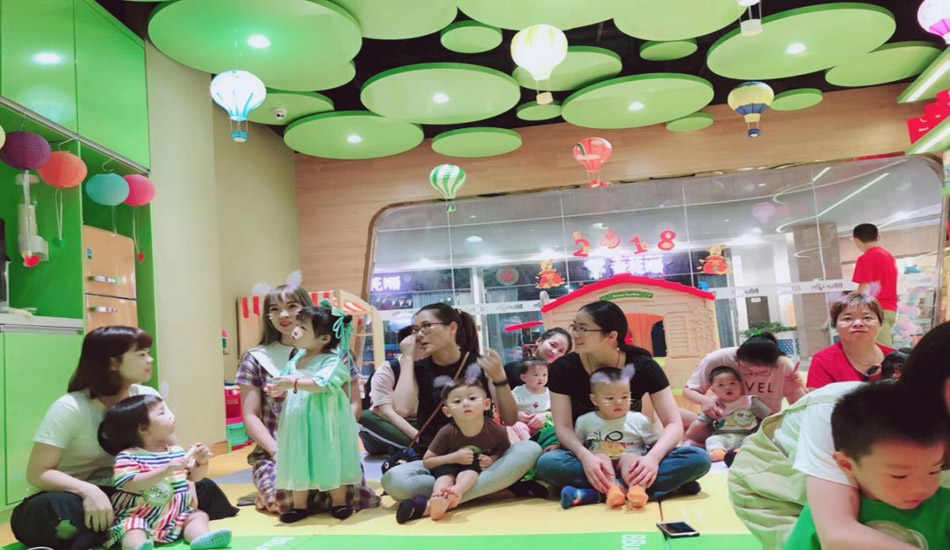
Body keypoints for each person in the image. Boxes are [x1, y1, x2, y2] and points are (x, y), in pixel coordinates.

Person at [728, 322, 950, 550]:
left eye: (933, 470)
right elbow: (837, 533)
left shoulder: (924, 484)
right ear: (928, 380)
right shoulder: (849, 413)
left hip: (887, 497)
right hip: (779, 488)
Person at [11, 326, 236, 550]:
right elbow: (38, 472)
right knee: (54, 508)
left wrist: (188, 482)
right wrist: (88, 491)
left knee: (204, 487)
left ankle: (116, 533)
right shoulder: (71, 407)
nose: (150, 360)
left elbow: (174, 451)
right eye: (141, 354)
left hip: (137, 489)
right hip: (78, 494)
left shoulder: (147, 396)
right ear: (112, 363)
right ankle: (130, 531)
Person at [535, 301, 711, 505]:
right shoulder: (564, 369)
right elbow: (564, 426)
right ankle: (646, 487)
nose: (575, 334)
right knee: (548, 464)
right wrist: (584, 457)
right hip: (592, 453)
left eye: (583, 329)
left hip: (635, 453)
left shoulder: (643, 366)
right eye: (575, 327)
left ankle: (599, 492)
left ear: (611, 336)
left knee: (698, 458)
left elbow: (673, 423)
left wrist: (653, 458)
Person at [384, 304, 545, 523]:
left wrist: (499, 378)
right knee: (394, 480)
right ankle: (496, 490)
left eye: (426, 326)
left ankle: (435, 503)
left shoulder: (481, 364)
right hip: (439, 462)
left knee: (530, 449)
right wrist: (407, 359)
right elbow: (403, 409)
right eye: (416, 329)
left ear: (452, 328)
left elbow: (509, 418)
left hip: (486, 461)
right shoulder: (418, 367)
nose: (419, 335)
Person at [235, 284, 379, 516]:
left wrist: (337, 439)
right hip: (281, 449)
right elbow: (250, 415)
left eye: (292, 306)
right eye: (274, 309)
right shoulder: (256, 358)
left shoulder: (337, 356)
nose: (283, 315)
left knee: (352, 498)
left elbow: (354, 403)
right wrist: (276, 451)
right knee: (285, 501)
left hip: (329, 445)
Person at [784, 382, 949, 549]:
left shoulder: (944, 508)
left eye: (934, 471)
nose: (921, 488)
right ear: (847, 465)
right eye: (900, 476)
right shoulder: (824, 511)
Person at [265, 305, 363, 523]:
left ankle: (339, 502)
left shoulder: (333, 360)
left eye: (302, 328)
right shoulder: (298, 356)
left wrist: (293, 383)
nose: (295, 330)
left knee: (329, 454)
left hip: (324, 420)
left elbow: (323, 384)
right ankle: (299, 506)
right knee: (298, 456)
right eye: (298, 325)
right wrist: (278, 388)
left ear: (324, 339)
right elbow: (285, 379)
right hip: (298, 419)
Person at [99, 395, 231, 550]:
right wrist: (165, 470)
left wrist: (201, 462)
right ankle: (138, 546)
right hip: (138, 516)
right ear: (143, 428)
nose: (171, 416)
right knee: (132, 528)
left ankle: (201, 537)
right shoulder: (128, 456)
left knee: (198, 516)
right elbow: (130, 484)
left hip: (175, 516)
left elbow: (194, 477)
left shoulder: (175, 451)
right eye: (162, 413)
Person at [561, 367, 659, 510]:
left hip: (629, 457)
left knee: (633, 460)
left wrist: (654, 458)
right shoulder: (585, 421)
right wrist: (559, 446)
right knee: (597, 457)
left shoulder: (639, 419)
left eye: (624, 397)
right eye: (610, 398)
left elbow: (656, 442)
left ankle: (637, 489)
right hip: (598, 466)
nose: (618, 402)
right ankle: (612, 490)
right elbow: (577, 443)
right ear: (594, 400)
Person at [683, 332, 805, 445]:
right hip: (720, 425)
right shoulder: (718, 359)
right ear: (737, 358)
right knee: (676, 416)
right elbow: (688, 391)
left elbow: (800, 408)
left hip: (762, 428)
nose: (753, 375)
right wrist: (704, 401)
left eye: (762, 372)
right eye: (747, 370)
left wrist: (795, 388)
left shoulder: (783, 364)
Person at [420, 379, 511, 522]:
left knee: (471, 468)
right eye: (457, 401)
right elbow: (427, 461)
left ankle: (457, 492)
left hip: (472, 468)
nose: (465, 403)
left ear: (487, 404)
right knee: (445, 474)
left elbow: (504, 453)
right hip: (447, 465)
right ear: (447, 411)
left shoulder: (497, 430)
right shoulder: (447, 432)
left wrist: (491, 460)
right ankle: (438, 497)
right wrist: (453, 457)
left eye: (472, 398)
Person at [806, 293, 895, 390]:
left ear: (880, 325)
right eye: (848, 318)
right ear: (835, 326)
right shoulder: (823, 361)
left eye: (867, 317)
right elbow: (818, 399)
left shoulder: (897, 358)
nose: (858, 323)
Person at [358, 325, 423, 455]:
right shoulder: (388, 370)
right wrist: (419, 437)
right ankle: (421, 447)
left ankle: (416, 448)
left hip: (421, 424)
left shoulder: (433, 368)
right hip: (389, 425)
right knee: (365, 417)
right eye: (420, 344)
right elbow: (387, 413)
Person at [686, 366, 771, 463]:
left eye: (732, 383)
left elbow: (769, 417)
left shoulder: (750, 401)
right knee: (712, 440)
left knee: (754, 440)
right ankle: (719, 454)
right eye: (721, 385)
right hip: (723, 436)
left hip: (746, 435)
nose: (727, 387)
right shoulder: (713, 404)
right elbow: (700, 422)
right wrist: (689, 436)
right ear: (714, 390)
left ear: (740, 385)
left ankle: (740, 452)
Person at [851, 223, 898, 347]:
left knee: (882, 350)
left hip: (875, 310)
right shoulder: (888, 256)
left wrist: (852, 307)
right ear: (878, 237)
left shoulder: (866, 258)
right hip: (890, 308)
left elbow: (864, 288)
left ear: (856, 240)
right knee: (880, 348)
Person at [504, 328, 573, 388]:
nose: (554, 352)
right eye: (552, 345)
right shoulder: (512, 369)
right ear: (539, 341)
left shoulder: (561, 377)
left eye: (560, 351)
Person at [508, 360, 551, 442]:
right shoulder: (517, 391)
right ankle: (529, 443)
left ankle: (544, 443)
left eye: (544, 375)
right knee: (517, 426)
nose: (541, 378)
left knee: (552, 428)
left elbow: (556, 411)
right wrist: (517, 414)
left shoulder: (550, 393)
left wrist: (548, 417)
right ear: (523, 377)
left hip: (543, 424)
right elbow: (508, 408)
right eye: (536, 375)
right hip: (524, 424)